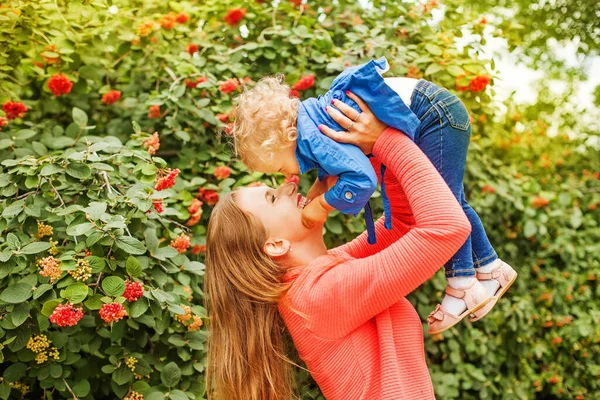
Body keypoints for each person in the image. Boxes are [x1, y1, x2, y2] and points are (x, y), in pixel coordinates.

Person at [205, 97, 509, 399]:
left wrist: (357, 147)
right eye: (273, 198)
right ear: (275, 245)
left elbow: (404, 222)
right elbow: (446, 227)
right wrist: (383, 139)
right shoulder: (317, 298)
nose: (290, 186)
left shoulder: (327, 273)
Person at [228, 57, 517, 334]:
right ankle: (491, 266)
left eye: (280, 167)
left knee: (449, 201)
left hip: (431, 115)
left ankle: (463, 282)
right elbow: (334, 170)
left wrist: (324, 206)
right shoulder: (312, 130)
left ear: (288, 138)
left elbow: (362, 180)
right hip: (436, 107)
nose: (286, 178)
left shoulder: (315, 136)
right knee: (454, 199)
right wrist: (319, 192)